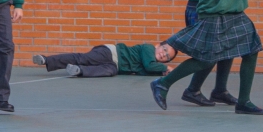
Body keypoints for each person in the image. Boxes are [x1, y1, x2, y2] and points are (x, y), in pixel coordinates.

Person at [32, 42, 177, 77]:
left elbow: (144, 71)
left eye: (167, 57)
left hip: (115, 66)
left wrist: (161, 71)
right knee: (83, 58)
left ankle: (78, 71)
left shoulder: (154, 64)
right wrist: (166, 69)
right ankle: (46, 60)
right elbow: (149, 67)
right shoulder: (149, 49)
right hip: (110, 53)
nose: (164, 54)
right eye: (164, 49)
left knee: (108, 72)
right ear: (158, 45)